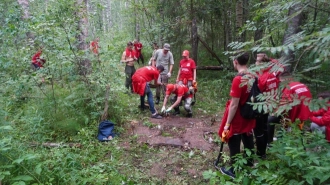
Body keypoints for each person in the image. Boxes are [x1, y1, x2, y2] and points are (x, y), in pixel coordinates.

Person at [218, 52, 256, 179]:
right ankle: (249, 163)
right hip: (250, 112)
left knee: (234, 137)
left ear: (235, 61)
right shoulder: (253, 75)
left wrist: (227, 125)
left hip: (239, 115)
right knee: (248, 135)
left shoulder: (238, 79)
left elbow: (234, 104)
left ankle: (233, 170)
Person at [253, 53, 280, 158]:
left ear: (262, 63)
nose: (255, 62)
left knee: (259, 130)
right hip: (271, 104)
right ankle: (264, 148)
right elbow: (279, 64)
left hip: (262, 105)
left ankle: (261, 153)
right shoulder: (273, 73)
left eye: (257, 61)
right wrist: (267, 57)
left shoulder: (263, 77)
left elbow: (257, 93)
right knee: (264, 127)